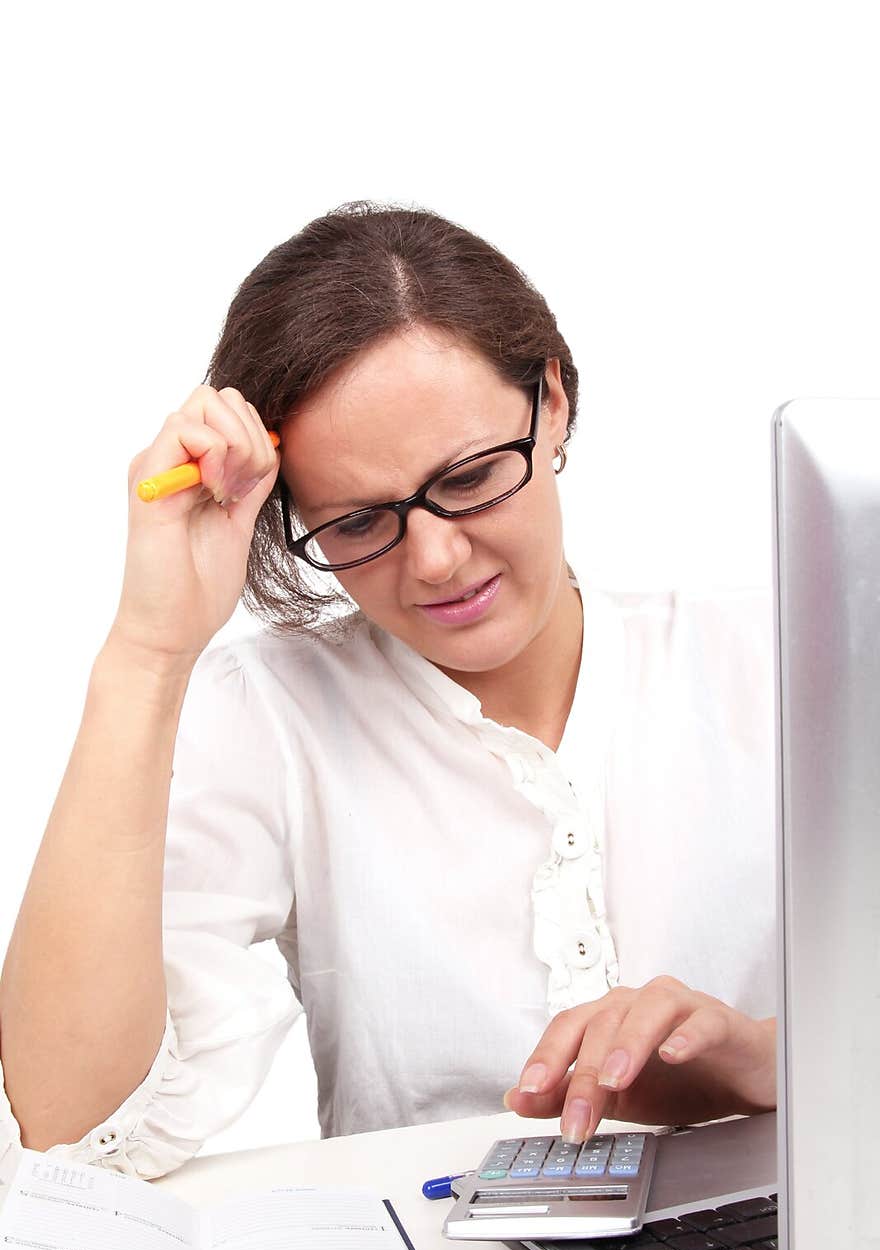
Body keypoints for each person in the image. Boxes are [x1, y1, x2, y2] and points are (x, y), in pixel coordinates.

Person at [0, 202, 776, 1183]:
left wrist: (770, 1060)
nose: (439, 558)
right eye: (362, 522)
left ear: (553, 403)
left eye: (471, 476)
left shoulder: (773, 661)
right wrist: (147, 652)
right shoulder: (272, 717)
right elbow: (64, 1132)